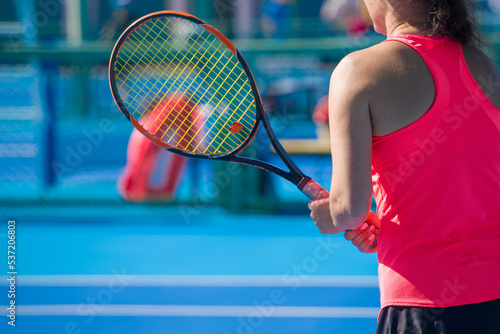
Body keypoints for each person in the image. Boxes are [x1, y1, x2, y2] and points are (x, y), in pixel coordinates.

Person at [308, 0, 500, 333]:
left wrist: (332, 214)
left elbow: (349, 209)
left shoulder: (357, 70)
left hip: (424, 307)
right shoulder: (484, 64)